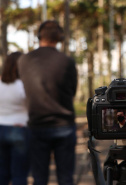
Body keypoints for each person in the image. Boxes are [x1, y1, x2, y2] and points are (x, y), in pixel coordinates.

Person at [18, 20, 78, 185]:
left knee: (39, 178)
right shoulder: (67, 61)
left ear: (39, 37)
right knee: (65, 178)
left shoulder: (24, 60)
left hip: (37, 126)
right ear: (60, 38)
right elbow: (72, 91)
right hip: (64, 126)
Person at [0, 52, 30, 185]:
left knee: (2, 174)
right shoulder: (24, 86)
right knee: (19, 174)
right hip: (20, 129)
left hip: (1, 128)